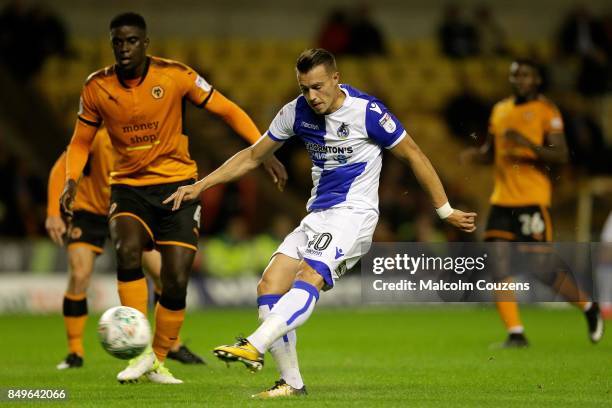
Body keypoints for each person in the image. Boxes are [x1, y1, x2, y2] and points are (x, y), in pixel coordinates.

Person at [164, 48, 477, 397]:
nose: (312, 97)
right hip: (318, 215)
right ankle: (291, 383)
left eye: (317, 87)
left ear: (335, 79)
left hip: (354, 215)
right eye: (304, 89)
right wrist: (200, 185)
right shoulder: (295, 113)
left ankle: (254, 343)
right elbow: (253, 156)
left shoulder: (367, 112)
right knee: (269, 285)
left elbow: (414, 154)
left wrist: (445, 210)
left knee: (308, 275)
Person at [59, 12, 287, 384]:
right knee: (128, 251)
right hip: (128, 187)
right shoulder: (96, 87)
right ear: (111, 43)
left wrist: (263, 151)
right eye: (118, 41)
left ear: (146, 44)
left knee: (176, 278)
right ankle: (139, 350)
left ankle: (157, 359)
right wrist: (71, 180)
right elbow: (81, 140)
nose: (124, 48)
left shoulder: (175, 75)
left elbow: (225, 109)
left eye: (132, 41)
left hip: (177, 186)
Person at [461, 59, 604, 347]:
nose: (520, 80)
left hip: (532, 200)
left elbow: (561, 154)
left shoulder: (546, 111)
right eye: (515, 75)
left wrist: (527, 144)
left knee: (541, 268)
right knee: (499, 263)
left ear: (537, 79)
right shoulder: (500, 110)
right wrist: (477, 155)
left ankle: (588, 306)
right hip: (502, 200)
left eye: (526, 75)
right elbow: (492, 150)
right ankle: (516, 333)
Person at [47, 127, 205, 369]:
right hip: (90, 212)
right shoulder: (97, 139)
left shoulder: (144, 137)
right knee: (79, 275)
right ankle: (75, 352)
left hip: (129, 211)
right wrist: (52, 214)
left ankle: (171, 345)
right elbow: (60, 169)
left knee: (163, 276)